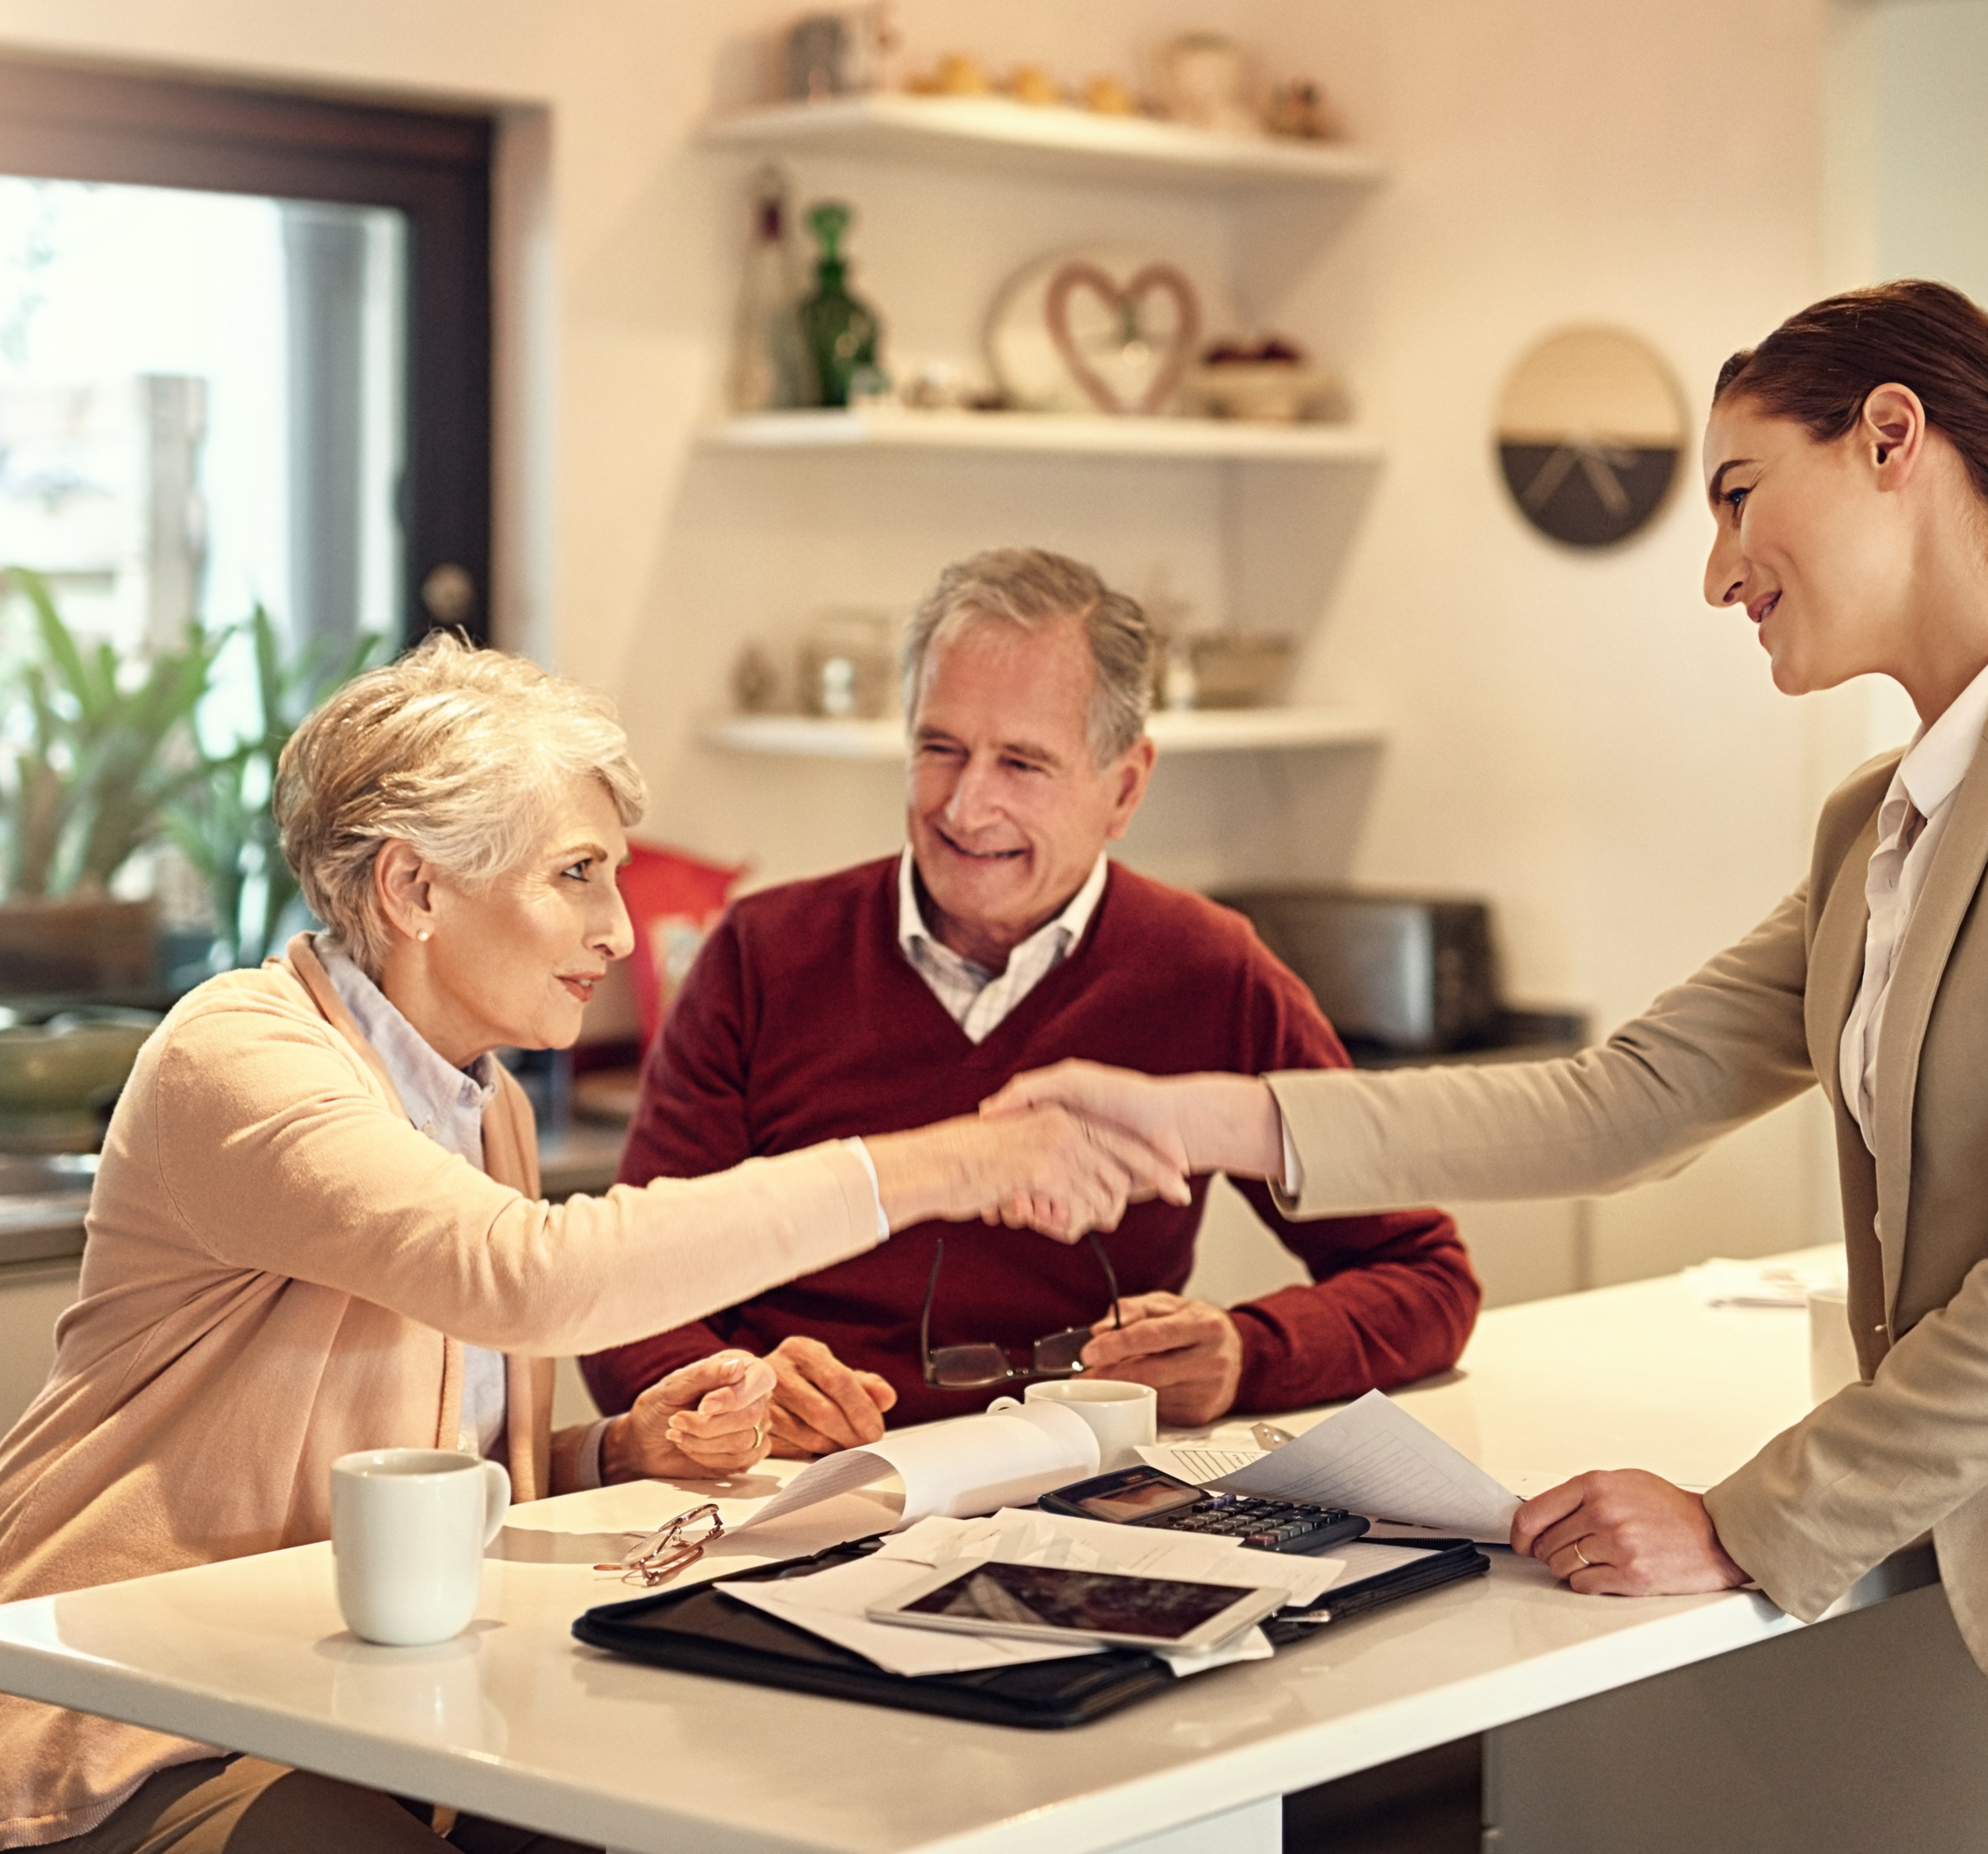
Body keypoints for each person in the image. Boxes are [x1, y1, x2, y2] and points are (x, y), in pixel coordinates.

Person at [995, 284, 1988, 1854]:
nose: (1716, 573)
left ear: (1890, 436)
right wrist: (1203, 1117)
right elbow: (1625, 1091)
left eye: (1735, 494)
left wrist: (1748, 1519)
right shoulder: (1884, 823)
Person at [0, 636, 1174, 1854]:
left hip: (365, 1719)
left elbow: (408, 1473)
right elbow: (531, 1277)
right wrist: (946, 1162)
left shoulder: (481, 1100)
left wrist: (617, 1449)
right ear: (413, 888)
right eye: (576, 874)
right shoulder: (239, 1057)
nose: (620, 932)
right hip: (137, 1740)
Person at [582, 549, 1477, 1453]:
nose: (967, 807)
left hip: (1083, 1488)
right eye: (940, 749)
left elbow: (1425, 1276)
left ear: (1123, 788)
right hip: (800, 1492)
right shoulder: (762, 952)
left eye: (1022, 763)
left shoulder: (1210, 972)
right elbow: (621, 1289)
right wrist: (728, 1391)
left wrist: (1247, 1353)